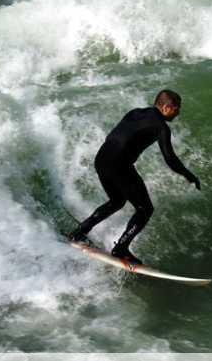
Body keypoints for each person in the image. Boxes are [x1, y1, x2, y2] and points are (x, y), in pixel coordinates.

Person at [67, 89, 201, 265]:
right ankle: (120, 249)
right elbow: (170, 159)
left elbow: (112, 136)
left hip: (101, 159)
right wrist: (189, 175)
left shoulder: (135, 112)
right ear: (167, 107)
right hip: (119, 166)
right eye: (176, 109)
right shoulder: (161, 126)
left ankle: (79, 232)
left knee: (117, 201)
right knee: (145, 209)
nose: (178, 113)